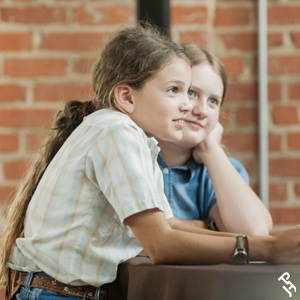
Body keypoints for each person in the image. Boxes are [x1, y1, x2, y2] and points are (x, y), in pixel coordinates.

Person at [0, 23, 300, 300]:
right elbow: (162, 244)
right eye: (175, 90)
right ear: (127, 97)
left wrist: (257, 241)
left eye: (191, 92)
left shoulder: (132, 138)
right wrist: (267, 248)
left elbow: (167, 223)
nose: (188, 104)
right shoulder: (117, 132)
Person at [156, 45, 272, 236]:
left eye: (213, 101)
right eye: (192, 93)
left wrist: (210, 148)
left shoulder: (221, 170)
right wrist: (209, 227)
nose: (201, 111)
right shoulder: (131, 155)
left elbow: (255, 232)